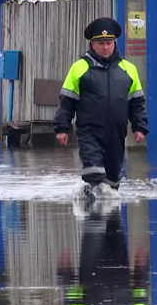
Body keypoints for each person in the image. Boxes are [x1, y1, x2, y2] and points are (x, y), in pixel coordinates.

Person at [53, 17, 149, 199]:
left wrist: (140, 127)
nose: (106, 47)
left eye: (109, 43)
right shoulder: (79, 68)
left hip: (116, 133)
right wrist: (62, 129)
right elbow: (67, 101)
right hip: (89, 131)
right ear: (93, 44)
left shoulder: (128, 69)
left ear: (114, 44)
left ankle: (108, 220)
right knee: (95, 172)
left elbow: (137, 103)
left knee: (112, 183)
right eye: (101, 43)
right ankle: (91, 217)